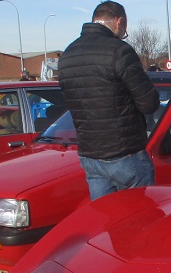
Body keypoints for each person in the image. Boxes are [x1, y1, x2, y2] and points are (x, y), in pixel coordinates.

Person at [58, 0, 160, 201]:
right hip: (125, 152)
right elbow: (149, 103)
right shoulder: (119, 51)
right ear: (119, 22)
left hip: (90, 154)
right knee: (140, 215)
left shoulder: (68, 54)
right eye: (125, 29)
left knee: (107, 220)